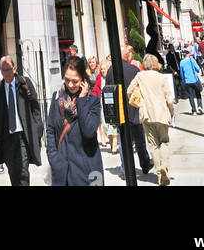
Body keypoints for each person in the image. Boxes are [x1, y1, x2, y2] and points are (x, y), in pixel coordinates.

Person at [46, 56, 104, 187]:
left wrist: (82, 100)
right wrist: (53, 157)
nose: (70, 85)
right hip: (61, 169)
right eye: (67, 80)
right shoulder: (57, 98)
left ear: (83, 79)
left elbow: (89, 131)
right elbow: (50, 129)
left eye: (75, 81)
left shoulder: (92, 101)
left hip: (87, 169)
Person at [0, 55, 42, 187]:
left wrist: (38, 131)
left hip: (22, 136)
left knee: (22, 171)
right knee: (13, 171)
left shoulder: (24, 84)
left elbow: (35, 108)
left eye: (8, 69)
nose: (6, 73)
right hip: (6, 138)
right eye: (3, 70)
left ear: (14, 68)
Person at [127, 54, 176, 186]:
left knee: (153, 145)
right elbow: (169, 98)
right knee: (164, 141)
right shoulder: (161, 77)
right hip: (161, 113)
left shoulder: (139, 76)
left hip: (146, 114)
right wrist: (172, 111)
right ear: (155, 64)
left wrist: (139, 100)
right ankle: (164, 166)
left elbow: (129, 90)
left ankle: (159, 174)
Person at [105, 47, 153, 176]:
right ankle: (145, 163)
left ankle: (125, 167)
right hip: (134, 110)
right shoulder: (133, 70)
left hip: (118, 111)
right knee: (139, 140)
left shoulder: (110, 71)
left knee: (122, 140)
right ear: (127, 56)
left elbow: (107, 90)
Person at [179, 49, 204, 114]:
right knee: (198, 93)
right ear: (188, 55)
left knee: (191, 96)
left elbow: (181, 73)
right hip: (194, 79)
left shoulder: (181, 62)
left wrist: (183, 80)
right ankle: (200, 106)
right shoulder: (192, 60)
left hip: (187, 81)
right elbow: (198, 69)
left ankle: (194, 110)